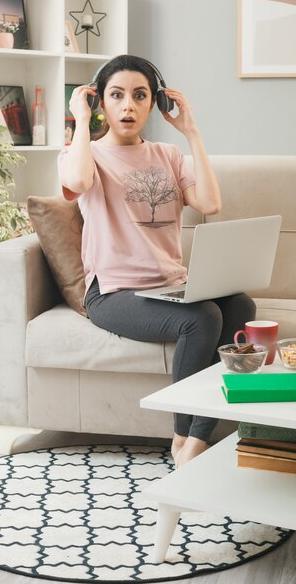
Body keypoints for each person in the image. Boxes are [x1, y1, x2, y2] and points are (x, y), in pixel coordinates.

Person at [58, 55, 256, 467]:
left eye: (139, 95)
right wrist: (80, 120)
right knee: (201, 318)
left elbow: (210, 203)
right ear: (101, 104)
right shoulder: (84, 154)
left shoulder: (168, 155)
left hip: (170, 285)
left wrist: (193, 133)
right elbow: (76, 183)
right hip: (113, 293)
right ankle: (185, 440)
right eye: (116, 96)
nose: (128, 106)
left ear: (155, 104)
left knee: (241, 306)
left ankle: (194, 440)